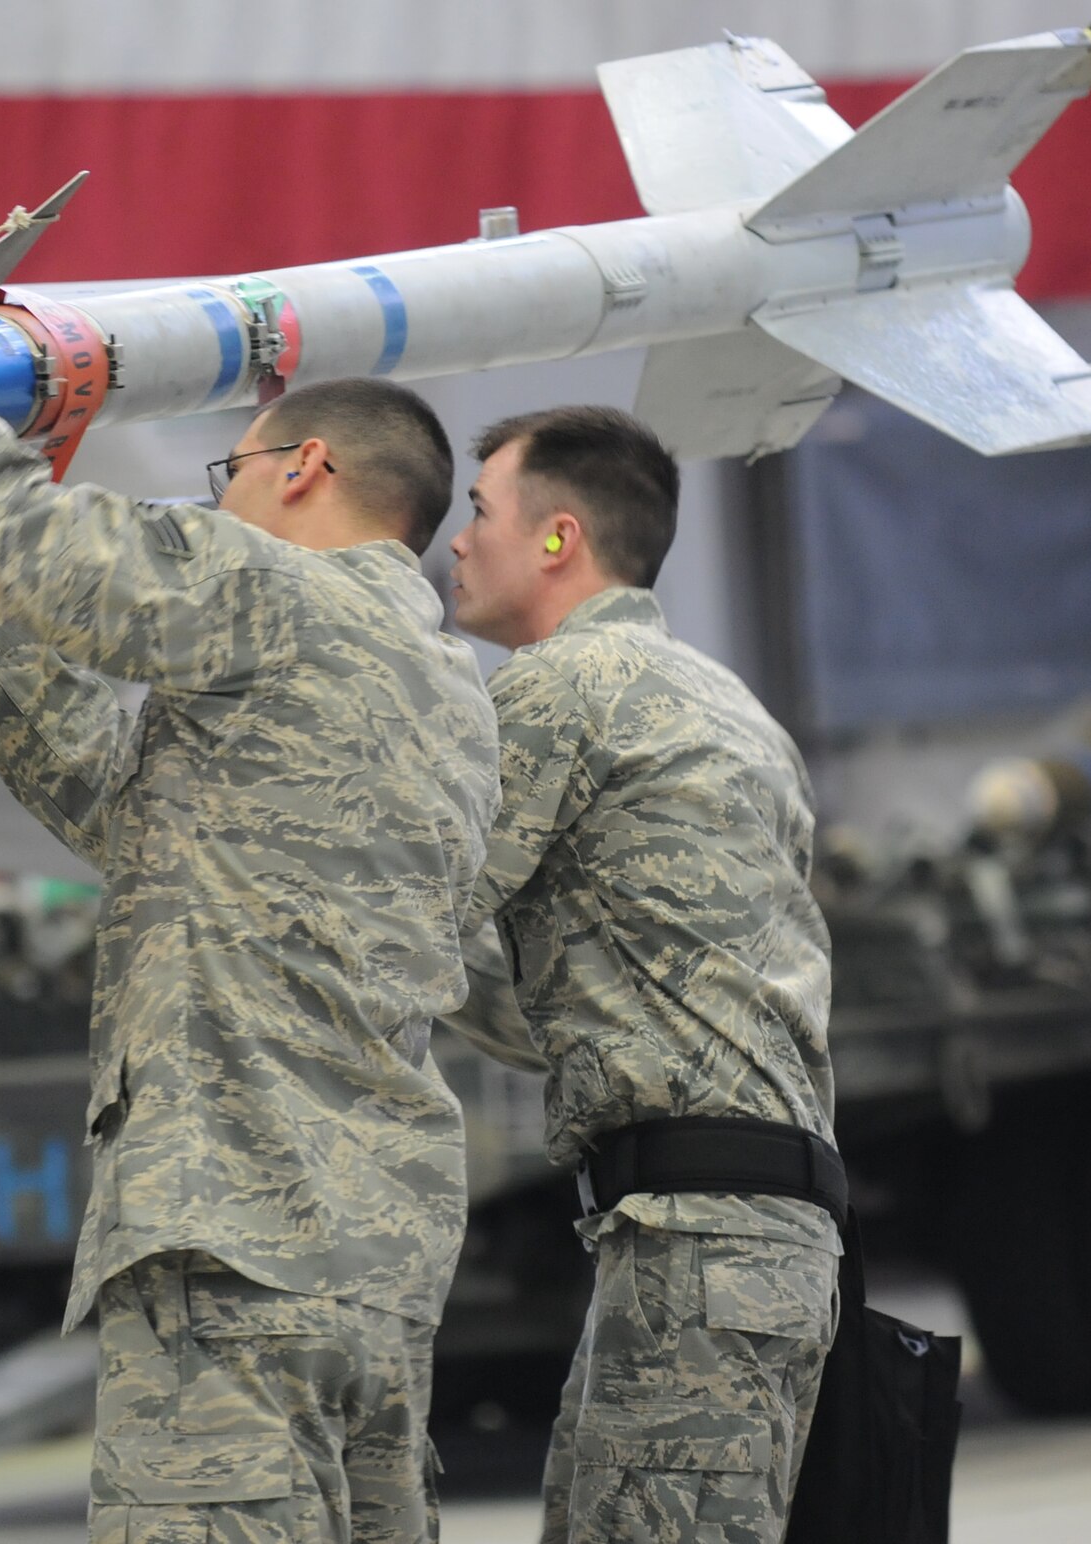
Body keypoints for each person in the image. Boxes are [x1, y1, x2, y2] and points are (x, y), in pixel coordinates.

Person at [0, 267, 499, 1542]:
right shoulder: (435, 684)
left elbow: (43, 544)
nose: (211, 500)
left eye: (222, 475)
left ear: (301, 469)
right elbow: (133, 819)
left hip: (239, 1241)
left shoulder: (277, 595)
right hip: (365, 1255)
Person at [444, 405, 840, 1544]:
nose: (455, 542)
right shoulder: (730, 706)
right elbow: (597, 995)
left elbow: (402, 902)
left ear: (558, 537)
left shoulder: (556, 691)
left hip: (691, 1241)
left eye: (479, 512)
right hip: (748, 1230)